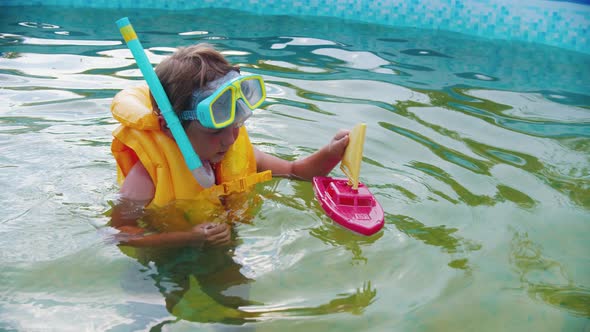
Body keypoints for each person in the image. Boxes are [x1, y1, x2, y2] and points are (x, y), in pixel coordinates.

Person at [109, 43, 349, 249]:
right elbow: (119, 234)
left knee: (236, 295)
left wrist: (331, 153)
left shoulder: (233, 153)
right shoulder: (146, 177)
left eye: (237, 125)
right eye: (215, 131)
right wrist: (187, 238)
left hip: (221, 246)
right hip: (162, 256)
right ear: (170, 127)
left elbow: (297, 172)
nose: (230, 139)